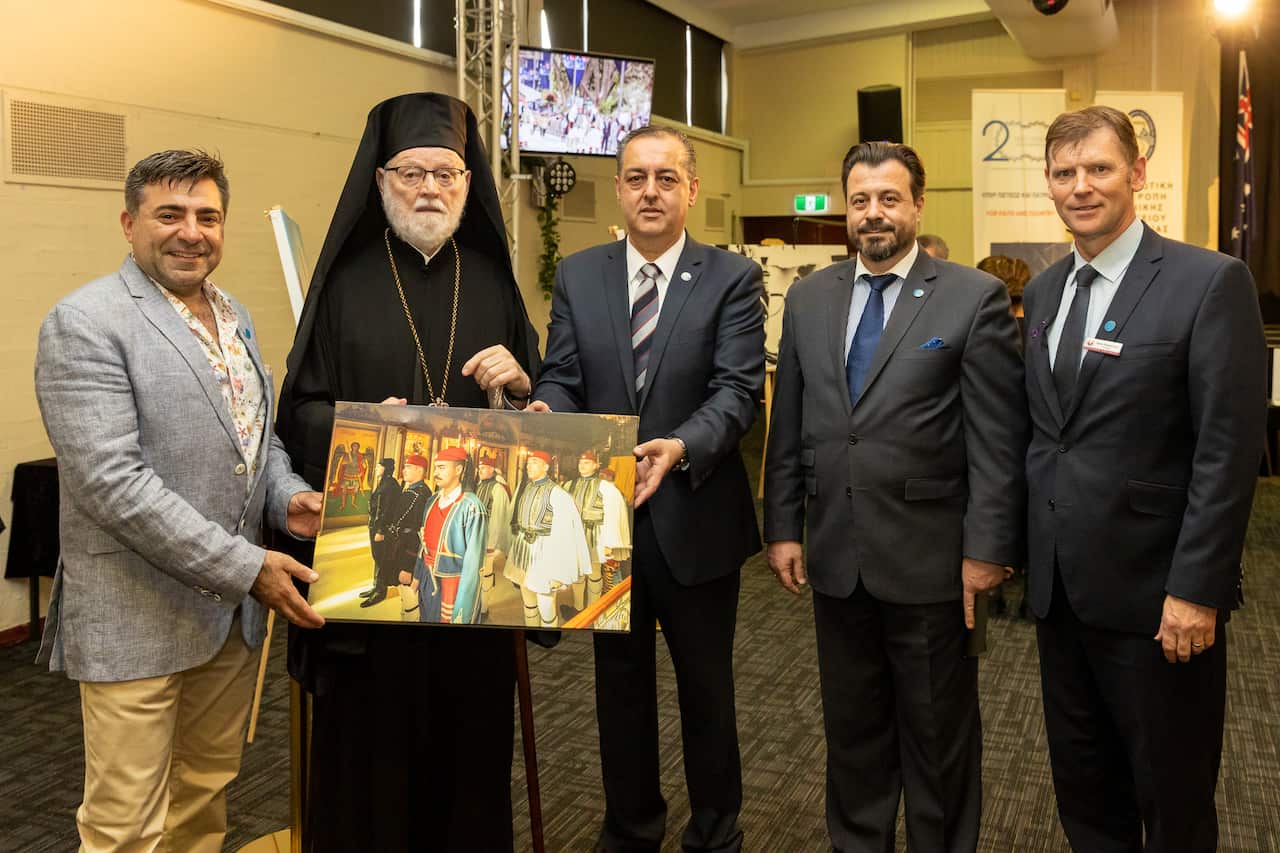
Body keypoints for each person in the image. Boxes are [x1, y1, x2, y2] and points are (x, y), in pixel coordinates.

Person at [33, 149, 324, 853]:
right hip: (138, 613)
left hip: (227, 622)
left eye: (207, 216)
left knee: (201, 796)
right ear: (129, 223)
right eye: (170, 214)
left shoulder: (234, 314)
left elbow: (254, 439)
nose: (191, 232)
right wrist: (248, 566)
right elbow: (112, 484)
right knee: (125, 823)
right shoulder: (86, 321)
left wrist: (287, 499)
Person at [276, 92, 541, 852]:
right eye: (411, 173)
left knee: (471, 759)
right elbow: (299, 411)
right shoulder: (345, 283)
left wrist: (523, 385)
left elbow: (540, 413)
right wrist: (361, 423)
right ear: (381, 180)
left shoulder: (491, 279)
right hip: (376, 582)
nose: (430, 189)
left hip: (470, 584)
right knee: (371, 770)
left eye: (446, 174)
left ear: (468, 182)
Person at [764, 141, 1026, 852]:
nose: (873, 213)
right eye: (859, 200)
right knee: (853, 732)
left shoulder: (971, 296)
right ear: (845, 210)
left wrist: (988, 551)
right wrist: (783, 526)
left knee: (937, 738)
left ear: (917, 204)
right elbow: (789, 422)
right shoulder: (810, 297)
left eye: (888, 198)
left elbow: (997, 441)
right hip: (836, 557)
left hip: (933, 564)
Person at [1024, 105, 1266, 853]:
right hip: (1061, 596)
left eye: (1098, 168)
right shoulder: (1044, 292)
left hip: (1159, 603)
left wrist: (1197, 589)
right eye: (1064, 173)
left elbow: (1228, 450)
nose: (1081, 186)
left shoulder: (1209, 281)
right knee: (1086, 798)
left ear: (1136, 173)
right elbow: (1050, 435)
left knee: (1172, 805)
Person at [531, 125, 764, 852]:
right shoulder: (579, 275)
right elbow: (563, 375)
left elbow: (738, 391)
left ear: (691, 188)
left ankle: (716, 833)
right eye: (636, 178)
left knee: (707, 691)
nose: (651, 191)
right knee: (619, 690)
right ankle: (630, 829)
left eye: (667, 178)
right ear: (620, 189)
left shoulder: (732, 278)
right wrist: (548, 409)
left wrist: (682, 445)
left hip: (697, 515)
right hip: (607, 523)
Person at [507, 450, 593, 627]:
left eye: (535, 462)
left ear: (546, 467)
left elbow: (566, 535)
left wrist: (558, 572)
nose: (529, 466)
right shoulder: (526, 488)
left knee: (545, 604)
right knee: (528, 601)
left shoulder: (557, 494)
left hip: (545, 555)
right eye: (528, 463)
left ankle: (548, 637)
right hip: (523, 552)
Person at [412, 446, 488, 624]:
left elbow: (474, 562)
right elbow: (423, 543)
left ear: (459, 469)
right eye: (436, 467)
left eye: (442, 467)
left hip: (453, 583)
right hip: (427, 577)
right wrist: (417, 575)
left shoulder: (472, 506)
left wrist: (465, 604)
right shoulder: (432, 501)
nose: (436, 473)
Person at [564, 450, 631, 607]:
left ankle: (593, 608)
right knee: (578, 574)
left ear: (595, 466)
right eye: (580, 462)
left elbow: (612, 516)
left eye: (587, 463)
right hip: (574, 537)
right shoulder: (569, 485)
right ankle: (578, 608)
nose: (582, 466)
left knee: (594, 574)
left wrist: (609, 543)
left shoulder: (605, 488)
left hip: (594, 537)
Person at [364, 454, 431, 609]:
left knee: (409, 601)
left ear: (419, 470)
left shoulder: (421, 494)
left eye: (408, 467)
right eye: (404, 467)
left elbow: (417, 534)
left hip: (405, 552)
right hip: (397, 546)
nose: (403, 470)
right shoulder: (411, 490)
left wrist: (407, 566)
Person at [475, 449, 512, 615]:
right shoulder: (480, 485)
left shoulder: (497, 489)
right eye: (479, 468)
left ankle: (484, 608)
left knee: (486, 572)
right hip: (476, 536)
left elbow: (498, 518)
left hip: (488, 538)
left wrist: (492, 544)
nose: (480, 471)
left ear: (491, 470)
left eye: (483, 468)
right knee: (477, 572)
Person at [361, 457, 401, 600]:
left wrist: (380, 531)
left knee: (382, 558)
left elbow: (388, 510)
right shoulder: (383, 482)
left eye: (379, 466)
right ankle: (376, 586)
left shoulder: (390, 484)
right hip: (375, 525)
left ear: (386, 468)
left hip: (381, 528)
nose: (376, 468)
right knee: (376, 556)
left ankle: (381, 591)